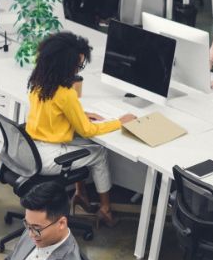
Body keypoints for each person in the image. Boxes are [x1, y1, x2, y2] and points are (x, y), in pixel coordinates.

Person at [26, 32, 136, 227]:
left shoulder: (39, 80)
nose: (78, 69)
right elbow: (87, 131)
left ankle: (81, 194)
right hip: (49, 155)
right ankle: (105, 210)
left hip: (32, 148)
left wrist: (79, 114)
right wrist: (120, 122)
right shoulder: (66, 93)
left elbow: (52, 113)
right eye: (77, 65)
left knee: (84, 145)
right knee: (99, 152)